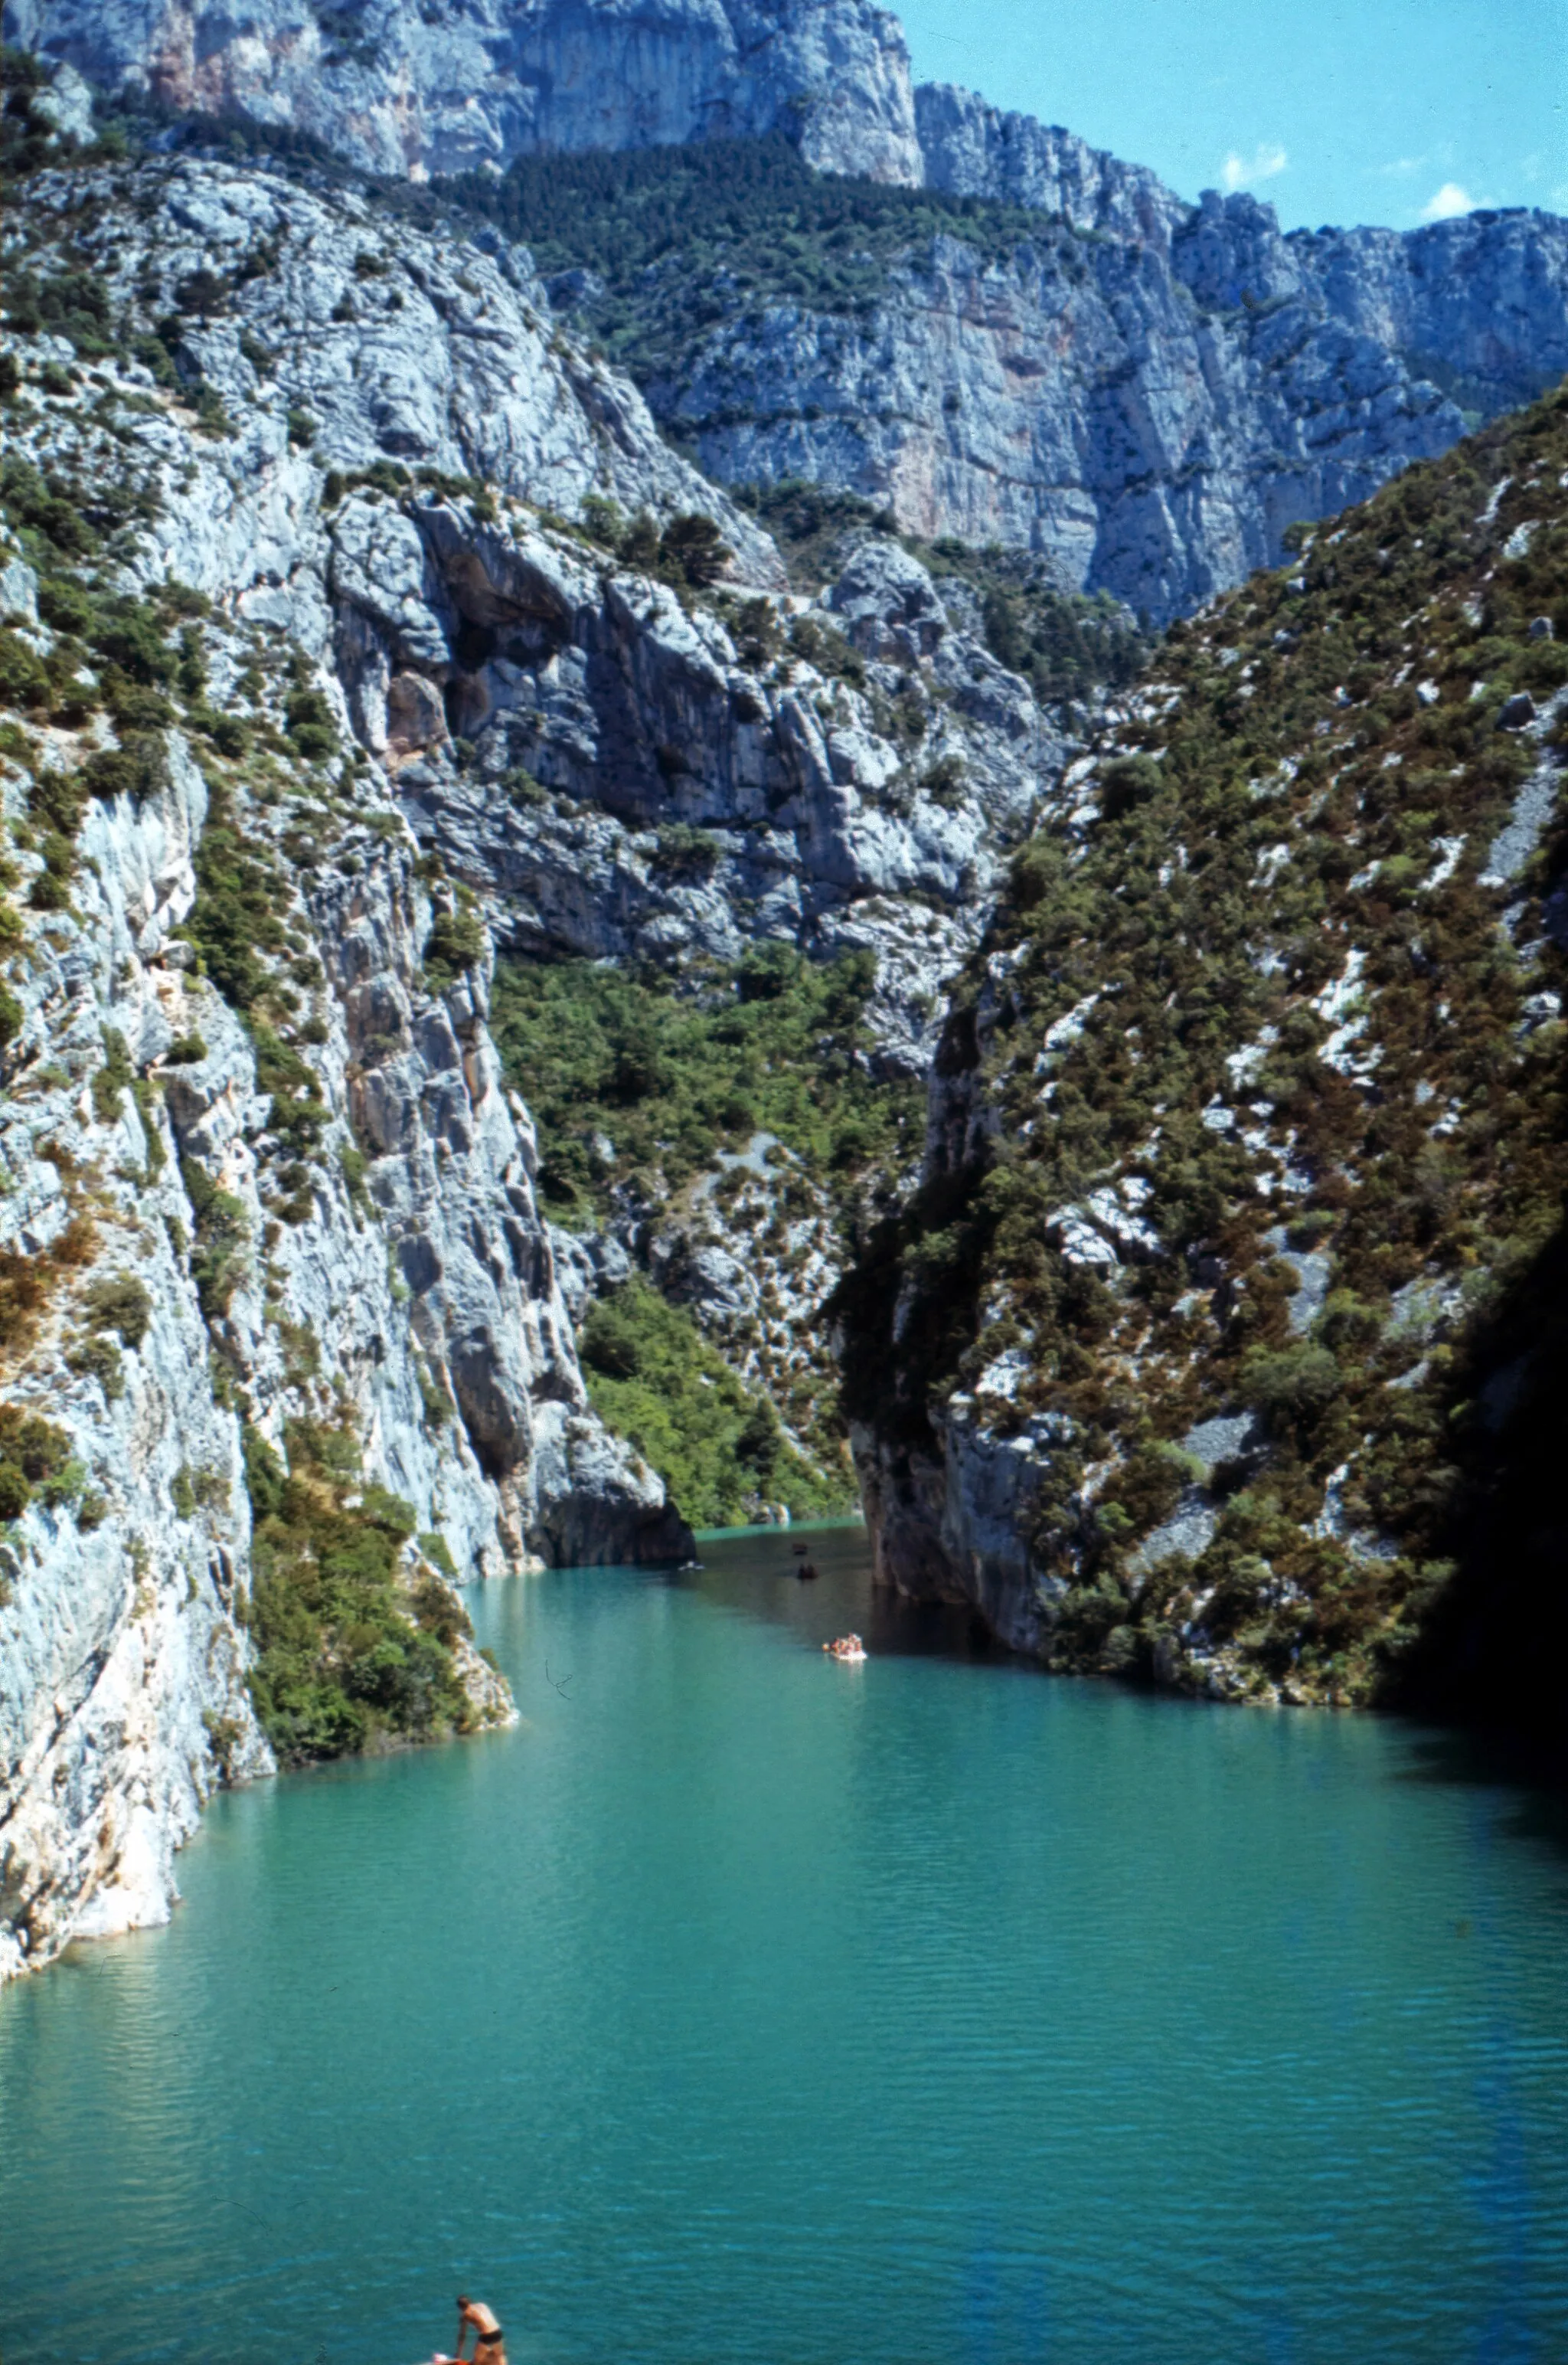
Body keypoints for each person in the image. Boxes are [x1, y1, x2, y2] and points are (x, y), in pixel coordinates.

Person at [436, 2295, 506, 2365]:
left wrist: (458, 2354)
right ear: (470, 2301)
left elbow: (462, 2336)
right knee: (500, 2355)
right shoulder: (482, 2305)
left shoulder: (465, 2315)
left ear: (460, 2308)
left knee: (477, 2360)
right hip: (497, 2331)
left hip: (486, 2335)